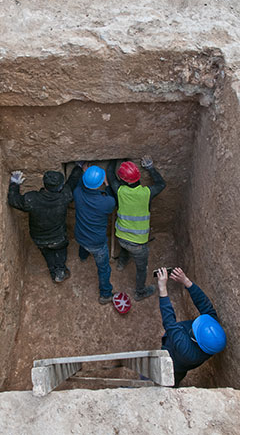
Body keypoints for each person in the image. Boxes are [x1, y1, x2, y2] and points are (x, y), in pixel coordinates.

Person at [7, 164, 84, 283]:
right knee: (61, 253)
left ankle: (54, 272)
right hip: (58, 239)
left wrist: (14, 184)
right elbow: (72, 182)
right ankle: (60, 270)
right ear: (60, 187)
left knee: (48, 255)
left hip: (39, 238)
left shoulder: (31, 199)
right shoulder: (64, 196)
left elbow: (13, 200)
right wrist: (78, 167)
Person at [106, 156, 165, 301]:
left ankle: (121, 262)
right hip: (138, 243)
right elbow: (161, 184)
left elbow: (109, 173)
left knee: (126, 247)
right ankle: (140, 292)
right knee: (141, 268)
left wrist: (115, 156)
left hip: (121, 236)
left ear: (123, 180)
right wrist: (150, 167)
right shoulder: (146, 193)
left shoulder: (119, 190)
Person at [156, 267, 226, 386]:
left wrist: (162, 288)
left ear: (195, 339)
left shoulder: (186, 351)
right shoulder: (212, 329)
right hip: (182, 366)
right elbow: (204, 304)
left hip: (174, 363)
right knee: (178, 375)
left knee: (168, 376)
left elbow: (170, 323)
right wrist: (186, 281)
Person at [73, 164, 117, 304]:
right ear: (100, 184)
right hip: (97, 243)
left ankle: (83, 256)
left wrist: (84, 173)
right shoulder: (107, 203)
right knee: (103, 268)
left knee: (84, 246)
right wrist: (108, 185)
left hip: (80, 235)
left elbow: (81, 185)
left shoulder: (77, 194)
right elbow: (112, 200)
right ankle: (105, 294)